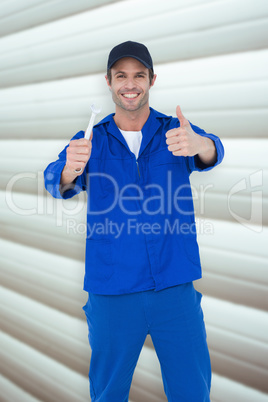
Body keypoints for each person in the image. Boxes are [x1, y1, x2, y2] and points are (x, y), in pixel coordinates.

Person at [44, 41, 224, 401]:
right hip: (112, 288)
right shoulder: (91, 139)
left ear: (152, 79)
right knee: (108, 393)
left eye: (139, 75)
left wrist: (200, 142)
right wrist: (69, 168)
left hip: (174, 285)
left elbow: (212, 151)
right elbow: (57, 182)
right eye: (121, 75)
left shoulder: (174, 131)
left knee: (192, 391)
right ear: (108, 81)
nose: (130, 83)